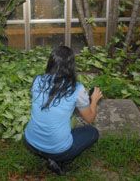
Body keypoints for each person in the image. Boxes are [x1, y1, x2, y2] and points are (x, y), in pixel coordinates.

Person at [24, 46, 103, 175]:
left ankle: (48, 154)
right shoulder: (77, 89)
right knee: (92, 132)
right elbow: (90, 119)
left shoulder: (37, 80)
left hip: (30, 142)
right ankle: (57, 160)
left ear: (51, 62)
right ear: (72, 65)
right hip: (58, 150)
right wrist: (94, 100)